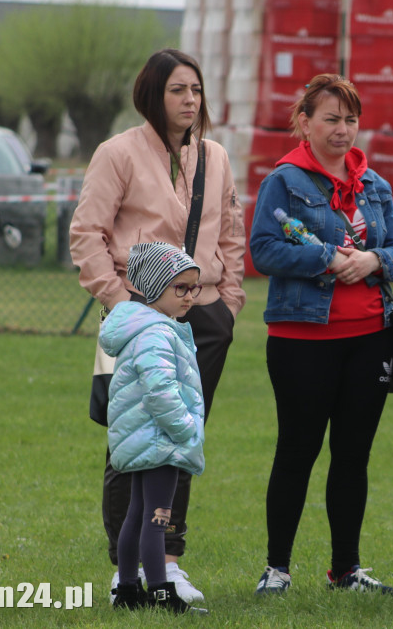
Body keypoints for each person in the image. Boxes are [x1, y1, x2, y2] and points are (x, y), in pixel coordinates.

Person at [69, 47, 246, 603]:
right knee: (132, 437)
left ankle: (168, 560)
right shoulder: (117, 153)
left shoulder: (216, 157)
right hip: (138, 316)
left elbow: (232, 234)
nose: (189, 100)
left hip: (207, 316)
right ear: (152, 93)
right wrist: (125, 305)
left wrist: (228, 302)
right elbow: (87, 234)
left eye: (195, 90)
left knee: (182, 435)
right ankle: (123, 565)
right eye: (177, 90)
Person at [248, 73, 393, 596]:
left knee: (352, 456)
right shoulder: (284, 180)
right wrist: (325, 258)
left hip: (370, 339)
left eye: (350, 120)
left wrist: (371, 259)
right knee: (296, 451)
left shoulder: (375, 185)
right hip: (302, 341)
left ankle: (347, 570)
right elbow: (264, 250)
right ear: (304, 122)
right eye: (331, 119)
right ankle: (277, 568)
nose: (343, 130)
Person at [103, 242, 207, 614]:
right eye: (180, 288)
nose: (189, 297)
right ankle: (162, 594)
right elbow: (160, 390)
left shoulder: (146, 328)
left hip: (144, 439)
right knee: (157, 519)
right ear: (154, 288)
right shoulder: (156, 334)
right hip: (161, 441)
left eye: (194, 287)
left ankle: (129, 590)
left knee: (137, 514)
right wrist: (185, 429)